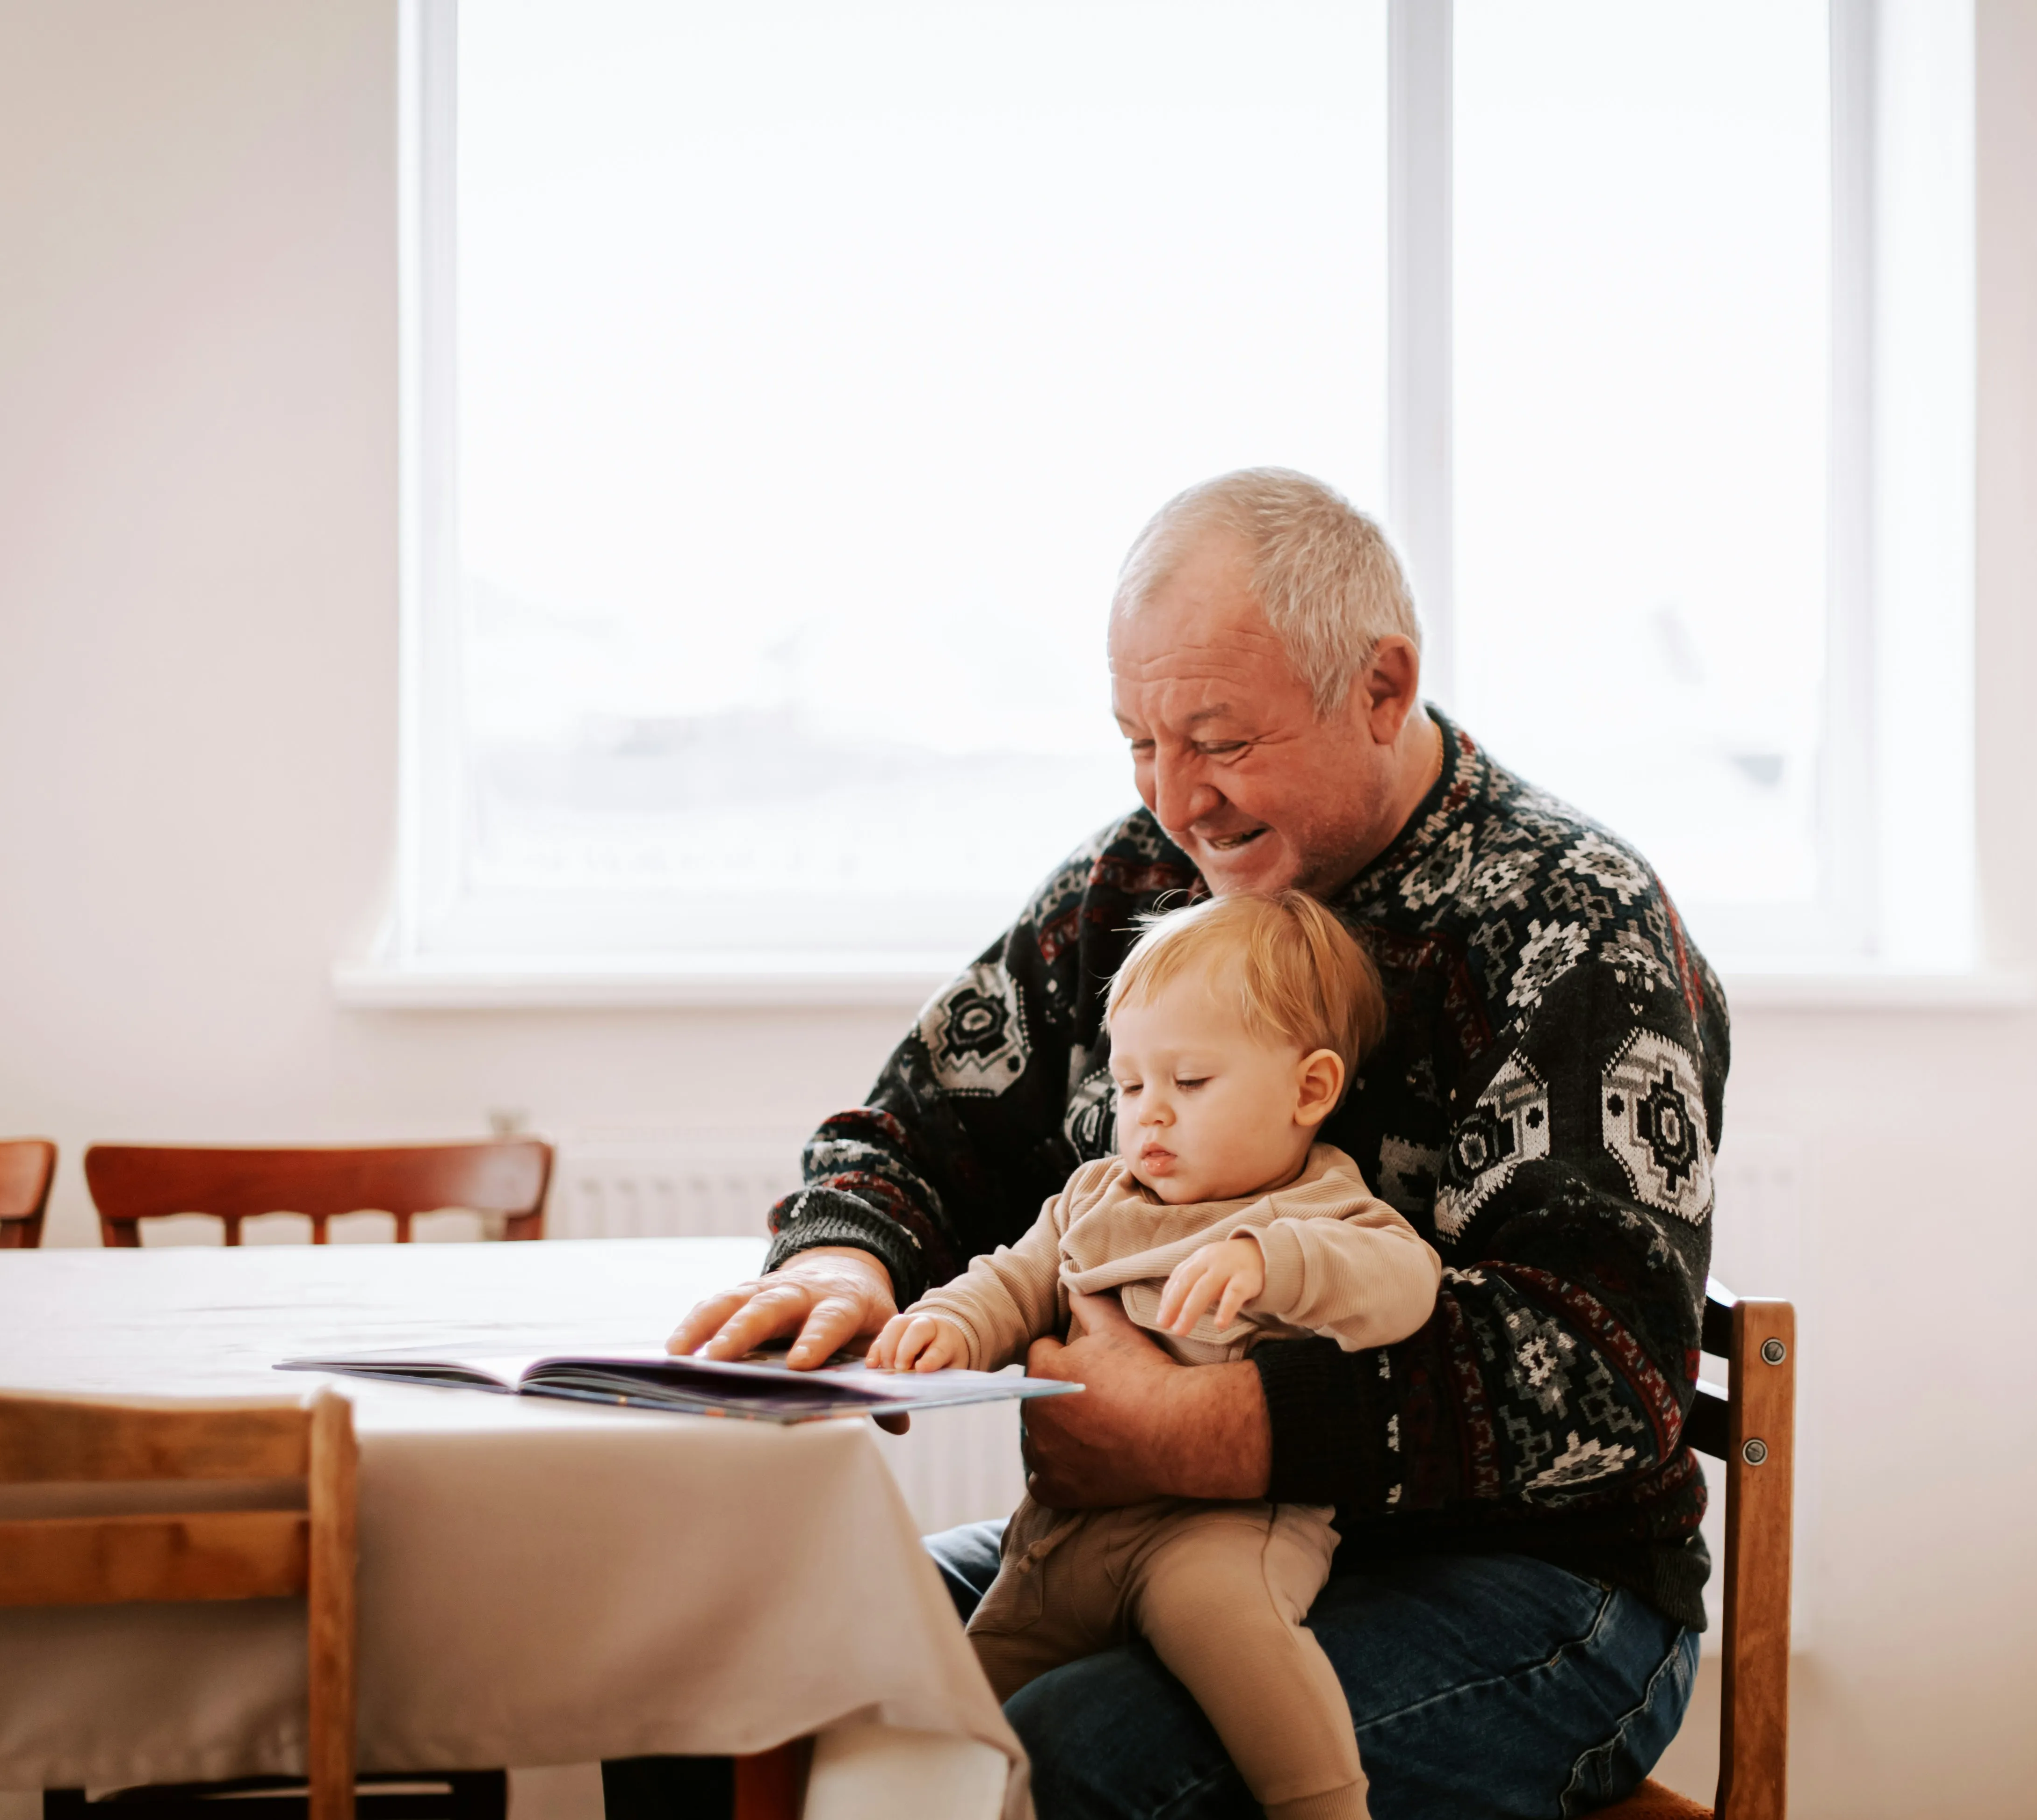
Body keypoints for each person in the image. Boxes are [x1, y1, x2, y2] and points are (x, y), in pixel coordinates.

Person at [665, 467, 1729, 1818]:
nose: (1177, 800)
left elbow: (1607, 1372)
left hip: (1539, 1590)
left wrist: (1212, 1430)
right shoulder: (1141, 883)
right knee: (723, 1658)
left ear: (1382, 688)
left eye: (1219, 741)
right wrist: (843, 1259)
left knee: (1069, 1752)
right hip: (1143, 1538)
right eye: (1137, 744)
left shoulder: (1576, 927)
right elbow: (917, 1125)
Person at [873, 890, 1442, 1820]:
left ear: (1310, 1089)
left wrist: (1272, 1260)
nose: (1151, 1118)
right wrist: (949, 1325)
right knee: (963, 1721)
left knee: (1231, 1626)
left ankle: (1326, 1805)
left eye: (1190, 1082)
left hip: (1224, 1525)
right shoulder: (1099, 1192)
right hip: (1065, 1538)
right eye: (1131, 1085)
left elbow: (1404, 1284)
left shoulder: (1319, 1206)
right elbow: (1015, 1278)